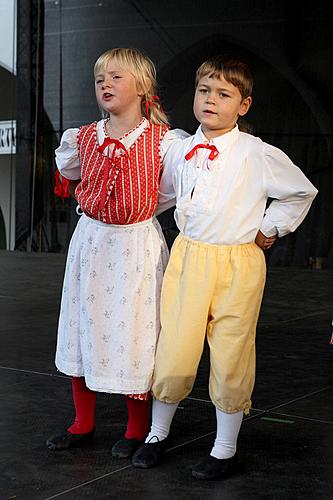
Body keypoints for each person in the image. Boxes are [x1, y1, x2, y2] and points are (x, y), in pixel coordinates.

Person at [132, 55, 318, 478]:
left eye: (223, 94)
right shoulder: (179, 149)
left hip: (238, 263)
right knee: (176, 343)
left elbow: (300, 192)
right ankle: (158, 433)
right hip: (190, 256)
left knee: (232, 349)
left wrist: (270, 226)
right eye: (204, 91)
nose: (211, 100)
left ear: (243, 105)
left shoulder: (257, 153)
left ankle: (224, 446)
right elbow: (163, 195)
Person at [46, 47, 186, 459]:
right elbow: (71, 173)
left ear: (143, 87)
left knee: (135, 330)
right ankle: (82, 423)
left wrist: (135, 212)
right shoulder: (83, 137)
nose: (105, 84)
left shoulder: (164, 142)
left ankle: (136, 427)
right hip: (91, 242)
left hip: (135, 246)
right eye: (99, 79)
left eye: (116, 77)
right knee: (83, 323)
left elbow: (169, 193)